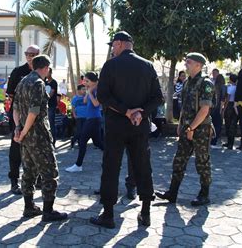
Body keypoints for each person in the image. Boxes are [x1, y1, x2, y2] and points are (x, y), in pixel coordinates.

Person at [91, 31, 163, 229]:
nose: (112, 49)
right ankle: (146, 212)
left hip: (116, 126)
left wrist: (126, 111)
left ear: (121, 43)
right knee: (143, 166)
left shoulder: (110, 65)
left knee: (111, 167)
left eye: (113, 45)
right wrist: (140, 113)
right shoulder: (147, 65)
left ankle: (108, 215)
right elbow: (158, 97)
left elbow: (103, 96)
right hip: (139, 126)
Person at [13, 54, 68, 222]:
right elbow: (34, 111)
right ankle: (48, 211)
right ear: (45, 67)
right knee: (50, 171)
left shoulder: (22, 82)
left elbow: (15, 108)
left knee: (29, 171)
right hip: (38, 135)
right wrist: (23, 131)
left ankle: (29, 207)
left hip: (25, 135)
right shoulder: (38, 83)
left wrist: (18, 129)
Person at [156, 53, 214, 207]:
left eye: (189, 62)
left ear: (198, 65)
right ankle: (172, 193)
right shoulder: (187, 83)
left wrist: (191, 128)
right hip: (186, 128)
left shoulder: (206, 83)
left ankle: (204, 194)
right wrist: (181, 125)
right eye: (186, 62)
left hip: (200, 129)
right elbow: (184, 107)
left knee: (202, 162)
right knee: (179, 160)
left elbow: (204, 109)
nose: (186, 65)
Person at [6, 44, 40, 195]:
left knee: (37, 149)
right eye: (27, 53)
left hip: (36, 119)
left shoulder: (42, 72)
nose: (29, 56)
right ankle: (14, 181)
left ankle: (37, 179)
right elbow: (11, 96)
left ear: (39, 54)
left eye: (32, 54)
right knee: (16, 149)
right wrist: (17, 120)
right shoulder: (18, 72)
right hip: (19, 116)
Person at [66, 72, 103, 173]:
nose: (85, 83)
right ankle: (112, 161)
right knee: (98, 142)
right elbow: (85, 102)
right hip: (91, 119)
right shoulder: (91, 90)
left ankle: (78, 165)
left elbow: (96, 104)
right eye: (85, 81)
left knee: (82, 140)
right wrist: (87, 92)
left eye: (87, 81)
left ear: (93, 81)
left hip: (94, 119)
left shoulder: (98, 90)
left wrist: (90, 92)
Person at [222, 74, 238, 149]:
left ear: (231, 79)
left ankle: (229, 143)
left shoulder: (230, 88)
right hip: (236, 106)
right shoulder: (238, 88)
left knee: (228, 124)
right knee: (233, 125)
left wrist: (224, 109)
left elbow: (227, 99)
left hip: (230, 106)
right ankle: (230, 142)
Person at [211, 74, 226, 148]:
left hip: (212, 108)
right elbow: (222, 99)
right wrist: (221, 110)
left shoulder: (213, 86)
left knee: (213, 124)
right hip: (218, 108)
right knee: (218, 125)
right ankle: (214, 141)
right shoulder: (223, 87)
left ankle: (211, 140)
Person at [46, 68, 58, 146]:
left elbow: (51, 94)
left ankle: (53, 141)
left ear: (50, 73)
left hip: (51, 106)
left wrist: (43, 97)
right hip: (44, 106)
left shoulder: (54, 82)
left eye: (47, 72)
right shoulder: (44, 82)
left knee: (51, 123)